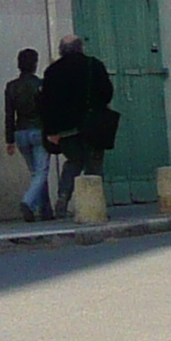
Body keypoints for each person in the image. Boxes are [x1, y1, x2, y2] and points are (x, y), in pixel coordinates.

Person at [37, 36, 115, 217]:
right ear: (81, 48)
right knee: (94, 165)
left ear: (61, 49)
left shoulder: (52, 71)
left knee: (73, 162)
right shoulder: (94, 65)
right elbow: (107, 93)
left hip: (65, 130)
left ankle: (63, 196)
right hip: (93, 125)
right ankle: (93, 206)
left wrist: (51, 131)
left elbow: (45, 103)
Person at [7, 48, 53, 221]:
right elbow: (46, 111)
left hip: (20, 132)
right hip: (39, 131)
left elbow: (9, 114)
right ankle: (28, 202)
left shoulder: (11, 86)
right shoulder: (40, 85)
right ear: (35, 64)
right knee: (41, 172)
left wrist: (10, 140)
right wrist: (52, 132)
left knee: (36, 173)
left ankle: (45, 210)